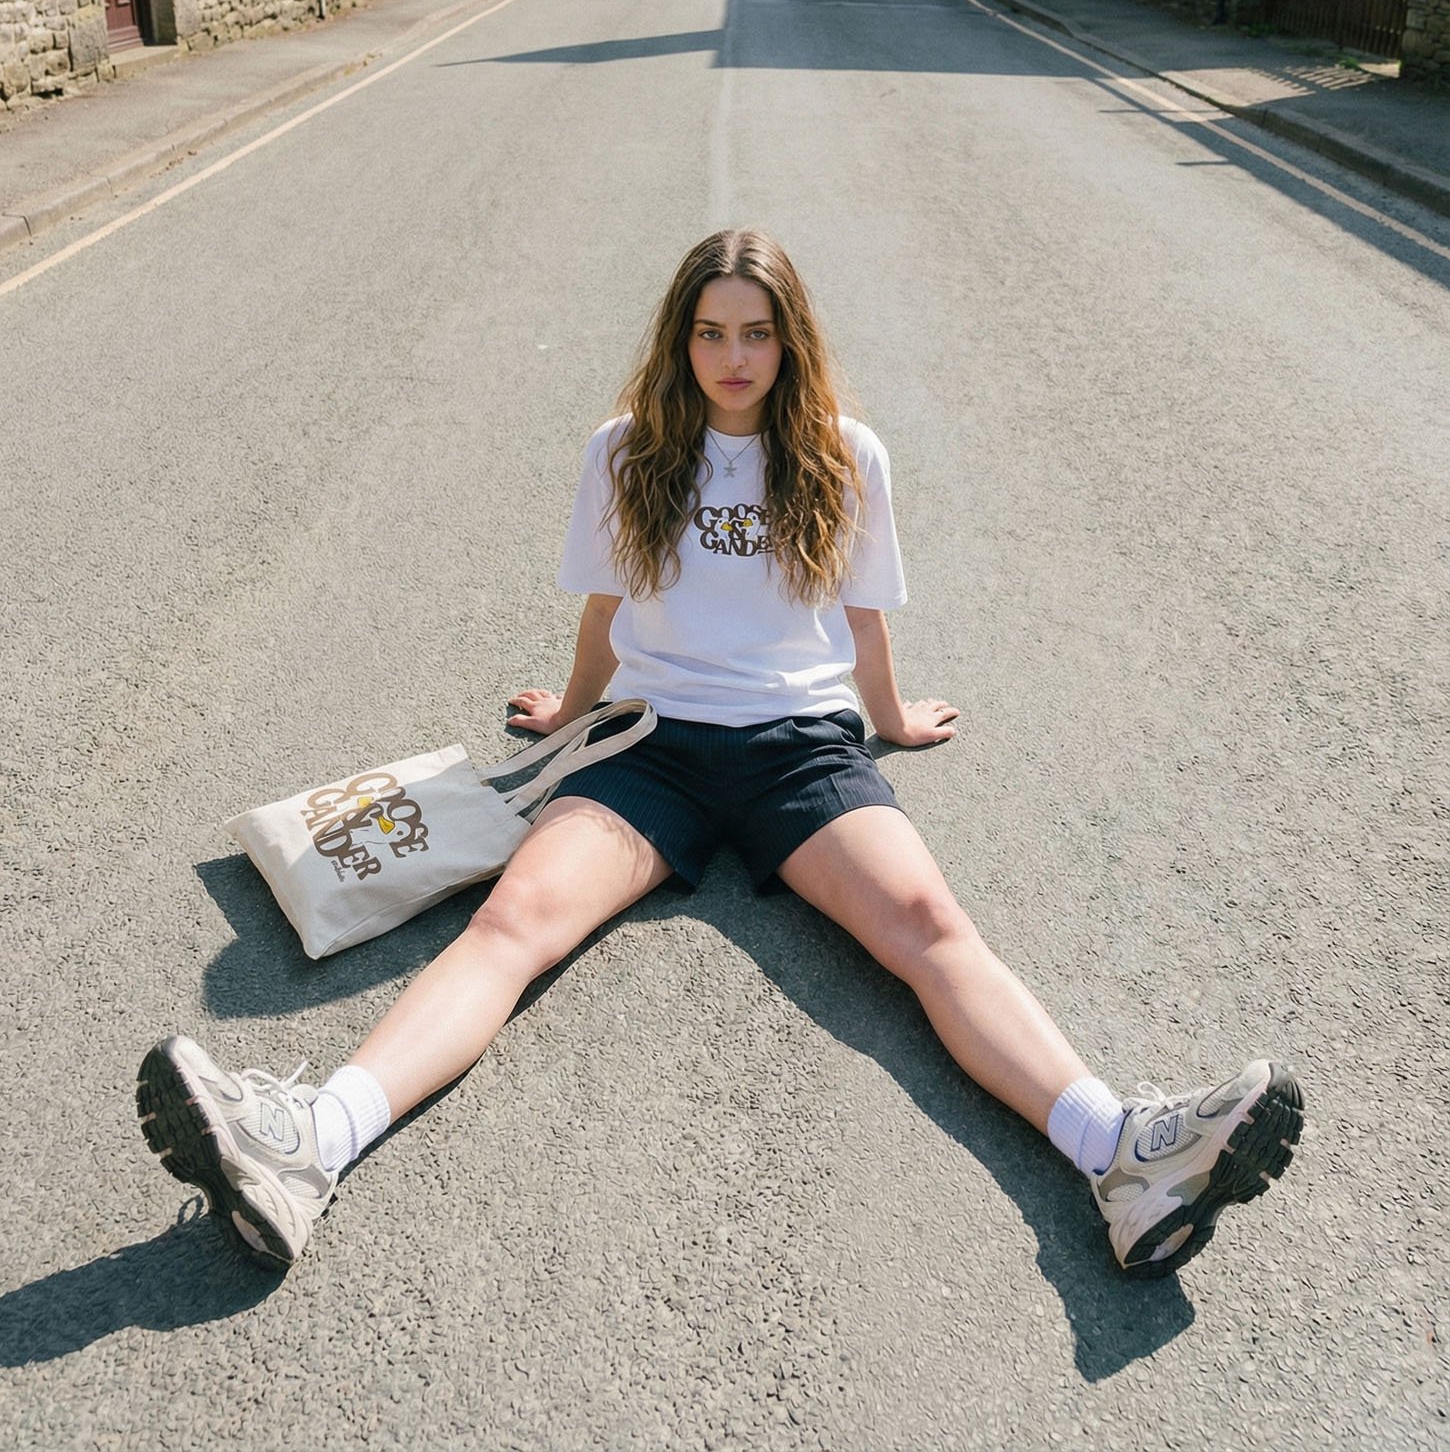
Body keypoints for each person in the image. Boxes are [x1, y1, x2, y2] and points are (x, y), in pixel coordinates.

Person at [138, 228, 1303, 1279]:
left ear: (789, 341)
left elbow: (864, 619)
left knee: (930, 930)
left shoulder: (847, 454)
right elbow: (605, 612)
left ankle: (1124, 1154)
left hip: (800, 748)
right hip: (650, 749)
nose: (732, 357)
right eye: (710, 333)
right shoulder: (625, 451)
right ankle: (306, 1144)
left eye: (755, 333)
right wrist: (571, 713)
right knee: (510, 927)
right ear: (679, 338)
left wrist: (887, 720)